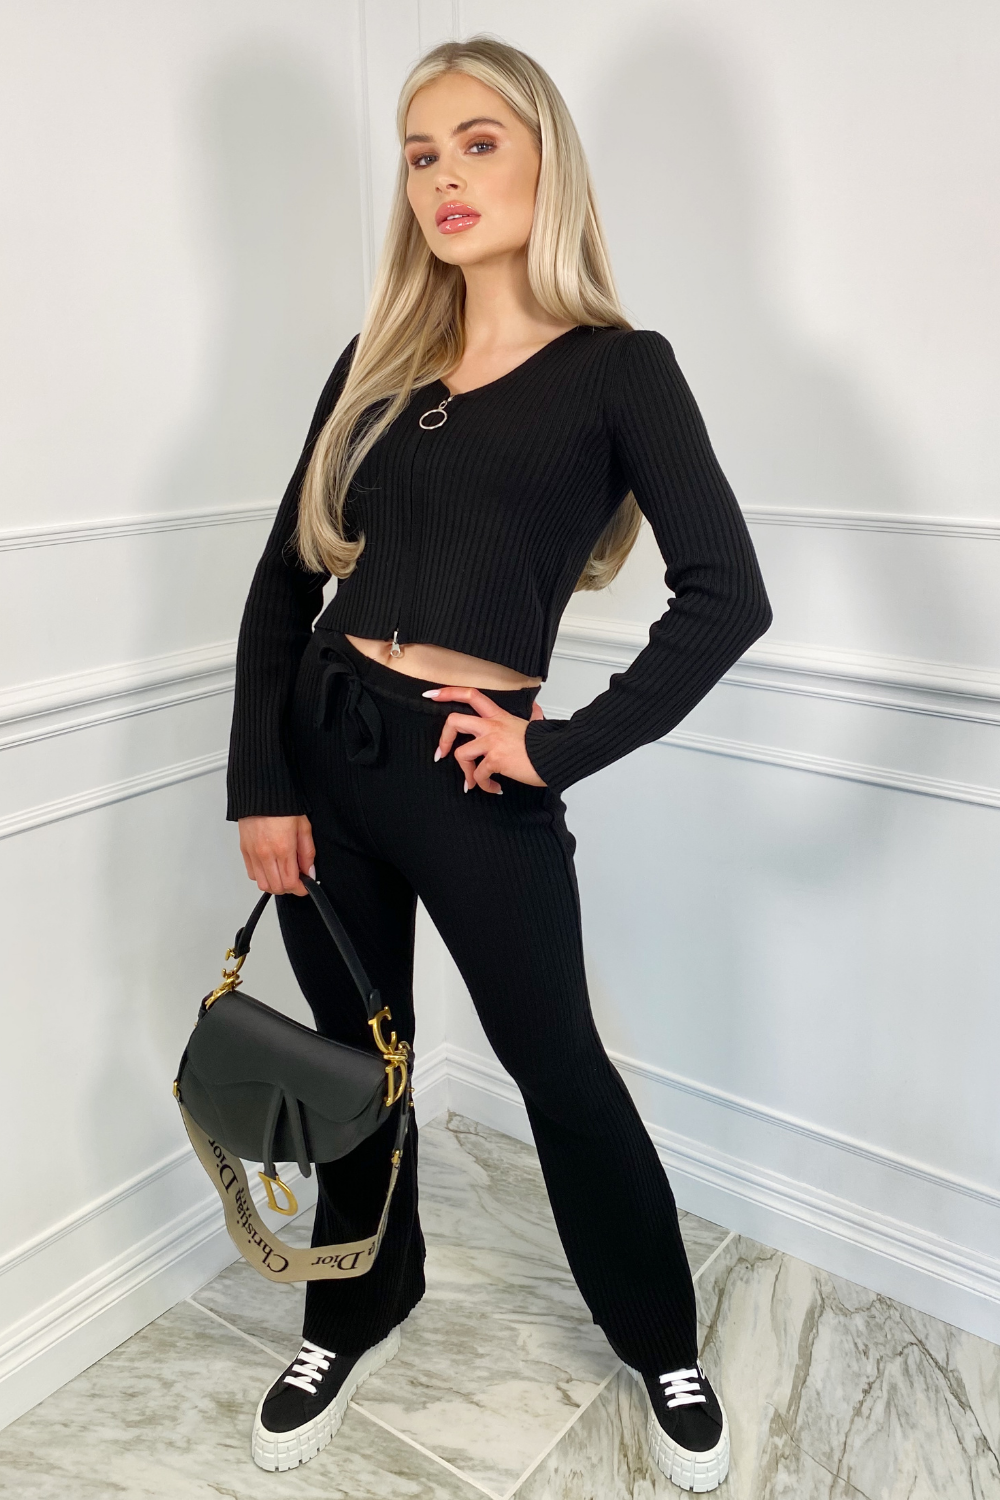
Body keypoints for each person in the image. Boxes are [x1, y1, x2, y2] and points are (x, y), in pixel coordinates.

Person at [227, 34, 771, 1491]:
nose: (445, 179)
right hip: (325, 748)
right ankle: (356, 1303)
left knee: (558, 1067)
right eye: (422, 155)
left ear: (546, 161)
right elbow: (284, 583)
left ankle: (659, 1338)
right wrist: (261, 783)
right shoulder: (376, 366)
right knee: (354, 1063)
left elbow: (728, 593)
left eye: (479, 143)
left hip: (477, 775)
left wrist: (558, 750)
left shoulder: (620, 371)